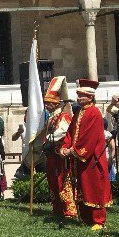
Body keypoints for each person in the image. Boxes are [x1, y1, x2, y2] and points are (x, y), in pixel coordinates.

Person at [60, 79, 112, 229]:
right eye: (78, 95)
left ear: (90, 97)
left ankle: (98, 220)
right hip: (79, 159)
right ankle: (86, 218)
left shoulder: (94, 113)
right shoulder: (79, 112)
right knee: (82, 187)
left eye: (81, 95)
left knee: (94, 187)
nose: (78, 98)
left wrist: (73, 151)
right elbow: (70, 132)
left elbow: (89, 137)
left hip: (91, 158)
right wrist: (65, 146)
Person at [42, 77, 75, 218]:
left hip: (61, 154)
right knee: (53, 181)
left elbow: (63, 131)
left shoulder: (64, 116)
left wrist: (49, 139)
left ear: (55, 104)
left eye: (49, 103)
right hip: (51, 154)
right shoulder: (50, 117)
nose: (47, 106)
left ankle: (69, 210)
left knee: (63, 181)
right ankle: (57, 208)